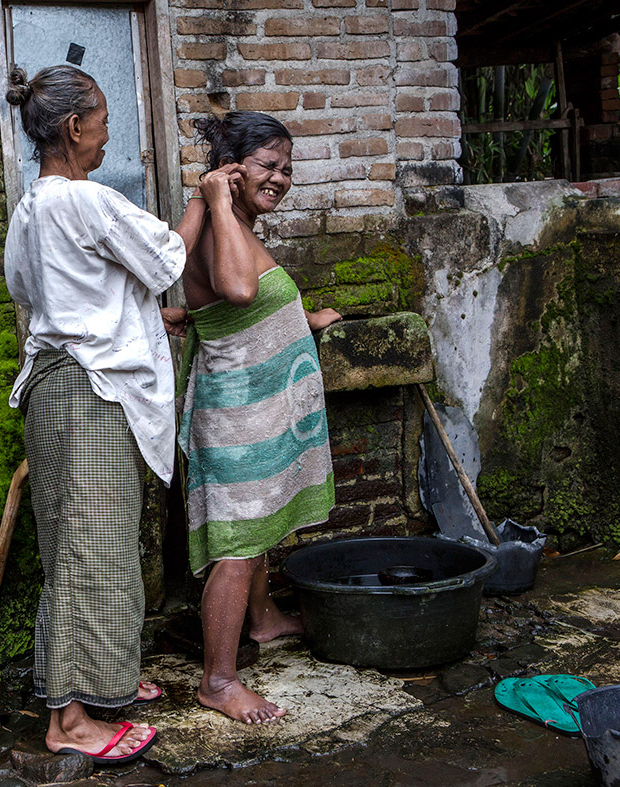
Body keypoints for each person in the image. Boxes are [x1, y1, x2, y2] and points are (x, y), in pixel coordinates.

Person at [3, 64, 207, 764]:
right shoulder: (83, 201)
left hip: (62, 390)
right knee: (86, 552)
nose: (108, 134)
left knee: (101, 545)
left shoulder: (31, 209)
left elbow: (53, 299)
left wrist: (148, 321)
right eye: (104, 120)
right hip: (86, 395)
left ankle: (107, 683)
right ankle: (68, 721)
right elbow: (167, 256)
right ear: (73, 127)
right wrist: (207, 197)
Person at [178, 111, 341, 724]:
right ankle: (218, 680)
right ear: (232, 169)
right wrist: (216, 197)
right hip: (235, 412)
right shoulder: (224, 220)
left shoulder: (239, 222)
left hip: (259, 410)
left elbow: (233, 308)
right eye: (269, 166)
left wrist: (304, 319)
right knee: (237, 539)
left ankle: (264, 618)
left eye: (287, 169)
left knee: (261, 519)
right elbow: (241, 291)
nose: (281, 178)